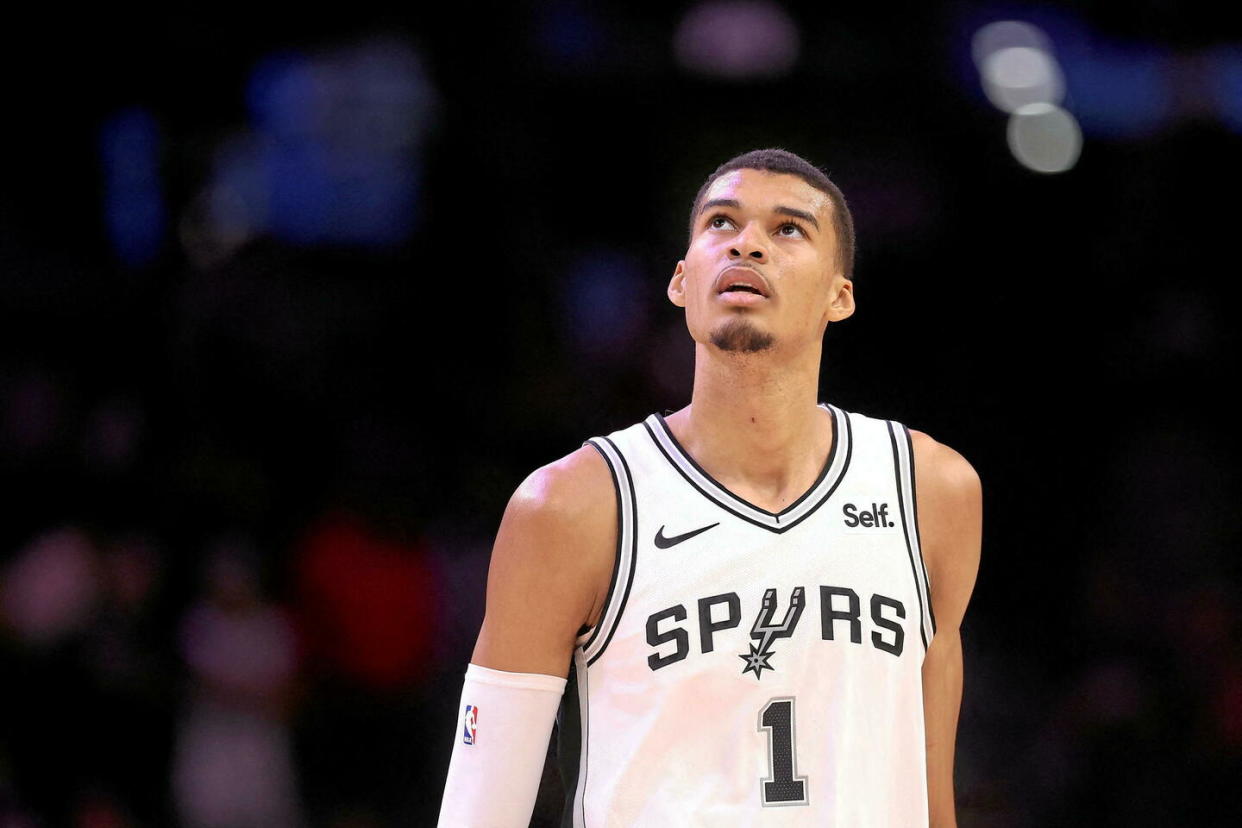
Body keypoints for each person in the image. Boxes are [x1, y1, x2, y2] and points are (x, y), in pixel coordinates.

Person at [438, 148, 982, 826]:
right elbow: (480, 807)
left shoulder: (931, 491)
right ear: (680, 281)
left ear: (839, 295)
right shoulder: (574, 506)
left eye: (788, 229)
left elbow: (931, 804)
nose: (747, 242)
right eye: (721, 224)